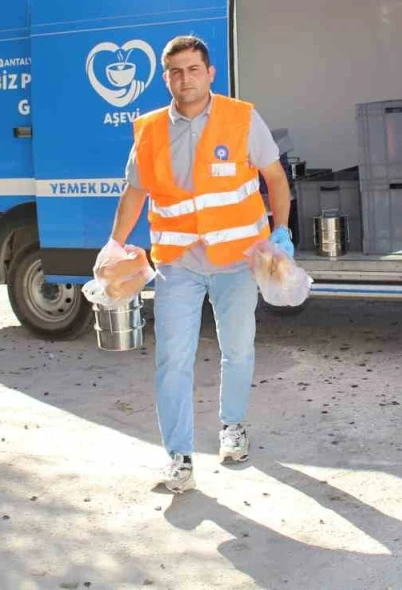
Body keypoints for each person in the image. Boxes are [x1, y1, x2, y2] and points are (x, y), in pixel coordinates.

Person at [109, 34, 293, 494]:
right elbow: (135, 192)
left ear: (210, 74)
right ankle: (179, 457)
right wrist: (114, 244)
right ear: (165, 78)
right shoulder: (149, 129)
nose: (185, 79)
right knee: (173, 359)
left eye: (193, 69)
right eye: (176, 71)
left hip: (237, 260)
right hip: (178, 265)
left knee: (238, 349)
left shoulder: (241, 118)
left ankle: (232, 427)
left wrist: (281, 232)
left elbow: (274, 177)